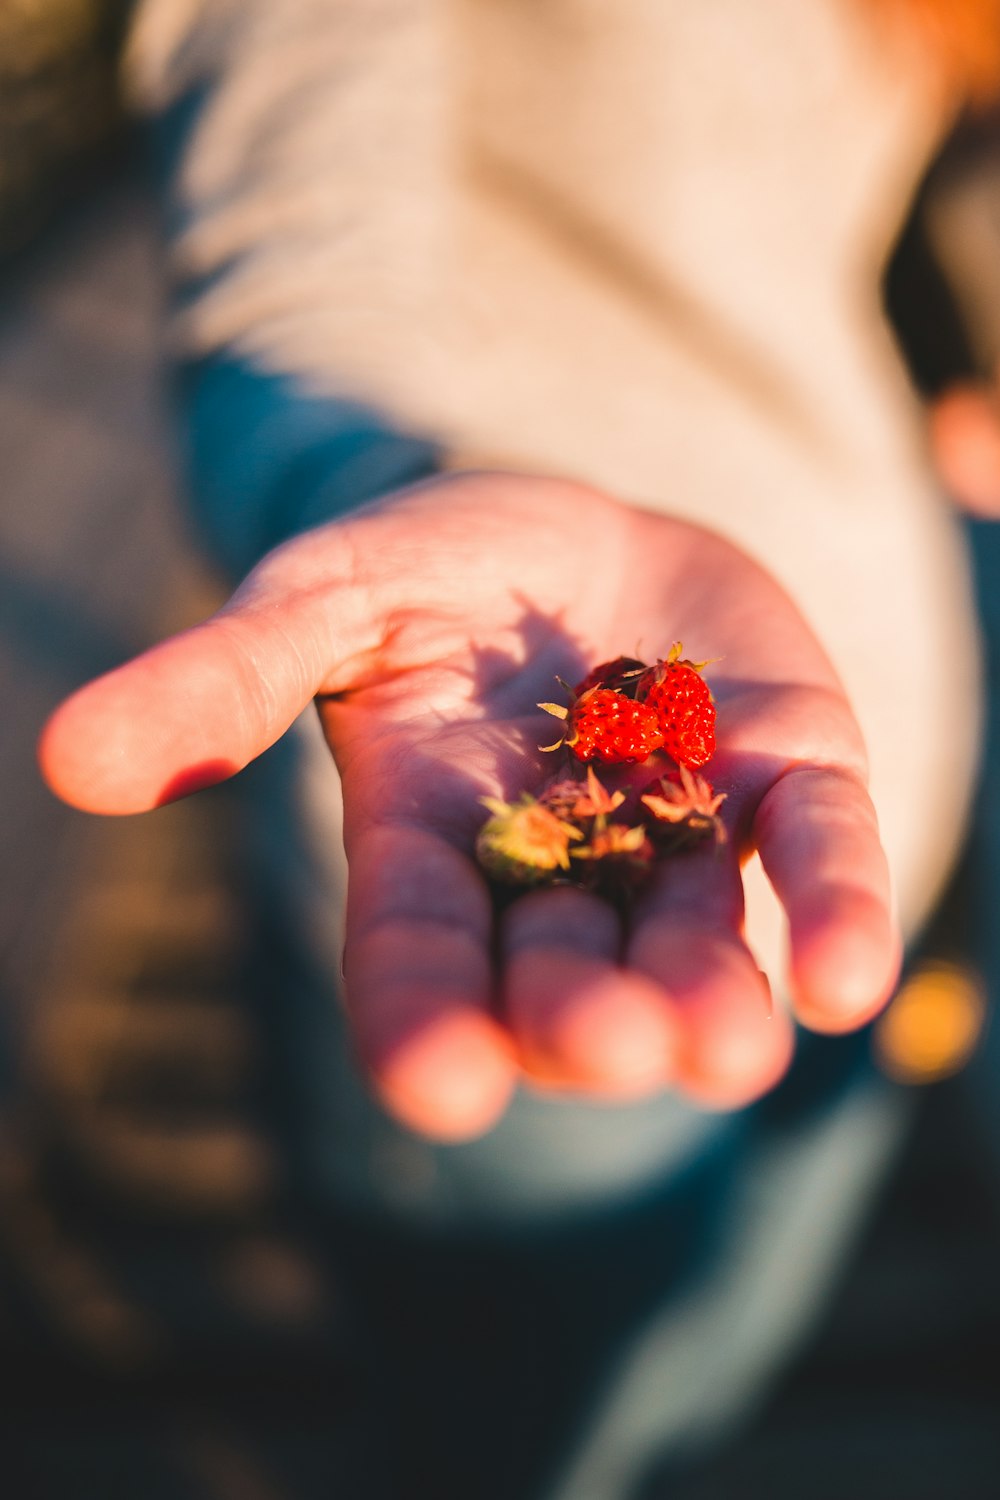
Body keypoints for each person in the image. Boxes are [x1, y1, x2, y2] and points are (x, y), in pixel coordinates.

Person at [37, 1, 1000, 1495]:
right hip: (474, 756)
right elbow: (299, 184)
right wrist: (357, 480)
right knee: (519, 1429)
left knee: (704, 1363)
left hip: (873, 773)